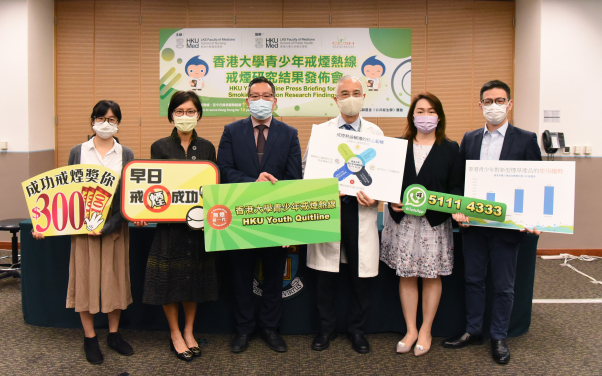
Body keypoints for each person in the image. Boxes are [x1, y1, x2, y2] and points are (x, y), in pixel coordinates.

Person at [443, 80, 542, 364]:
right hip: (473, 225)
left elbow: (536, 183)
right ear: (480, 106)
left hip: (507, 227)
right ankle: (473, 330)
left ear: (509, 104)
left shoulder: (526, 139)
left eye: (500, 101)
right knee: (473, 280)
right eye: (488, 101)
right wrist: (458, 208)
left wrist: (533, 216)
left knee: (503, 285)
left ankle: (499, 336)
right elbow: (459, 182)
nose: (494, 106)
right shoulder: (470, 138)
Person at [32, 100, 135, 364]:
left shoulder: (127, 154)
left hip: (113, 229)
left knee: (115, 281)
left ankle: (113, 334)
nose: (106, 124)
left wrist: (106, 226)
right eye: (101, 118)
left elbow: (127, 199)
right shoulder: (78, 151)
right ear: (92, 120)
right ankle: (90, 337)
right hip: (81, 229)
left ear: (118, 123)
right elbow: (64, 194)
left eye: (112, 119)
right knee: (85, 282)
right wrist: (43, 222)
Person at [217, 76, 302, 353]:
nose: (261, 101)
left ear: (275, 101)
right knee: (240, 276)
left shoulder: (289, 134)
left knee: (274, 275)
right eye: (255, 96)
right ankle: (243, 330)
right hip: (239, 217)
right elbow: (224, 170)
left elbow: (293, 178)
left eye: (267, 96)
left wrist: (291, 227)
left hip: (276, 217)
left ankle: (269, 328)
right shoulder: (231, 131)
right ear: (247, 101)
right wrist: (253, 182)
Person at [380, 93, 463, 356]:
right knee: (406, 274)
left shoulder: (450, 148)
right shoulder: (397, 145)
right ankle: (411, 329)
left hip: (433, 224)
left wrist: (452, 208)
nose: (424, 116)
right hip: (403, 222)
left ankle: (426, 330)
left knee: (430, 276)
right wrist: (392, 200)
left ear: (438, 116)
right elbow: (385, 182)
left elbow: (455, 188)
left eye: (430, 111)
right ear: (412, 116)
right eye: (420, 111)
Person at [303, 75, 381, 354]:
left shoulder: (375, 134)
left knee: (360, 278)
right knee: (325, 277)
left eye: (356, 92)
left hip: (360, 211)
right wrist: (324, 190)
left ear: (363, 96)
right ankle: (325, 331)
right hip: (330, 210)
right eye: (344, 93)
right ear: (335, 99)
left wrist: (377, 195)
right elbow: (306, 171)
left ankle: (357, 331)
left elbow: (384, 178)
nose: (350, 98)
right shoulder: (322, 132)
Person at [140, 90, 218, 362]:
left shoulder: (208, 147)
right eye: (180, 112)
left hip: (197, 228)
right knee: (169, 282)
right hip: (170, 229)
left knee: (193, 281)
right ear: (171, 115)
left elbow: (213, 189)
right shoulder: (160, 147)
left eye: (191, 112)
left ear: (199, 115)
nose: (185, 117)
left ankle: (189, 330)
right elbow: (155, 188)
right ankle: (174, 333)